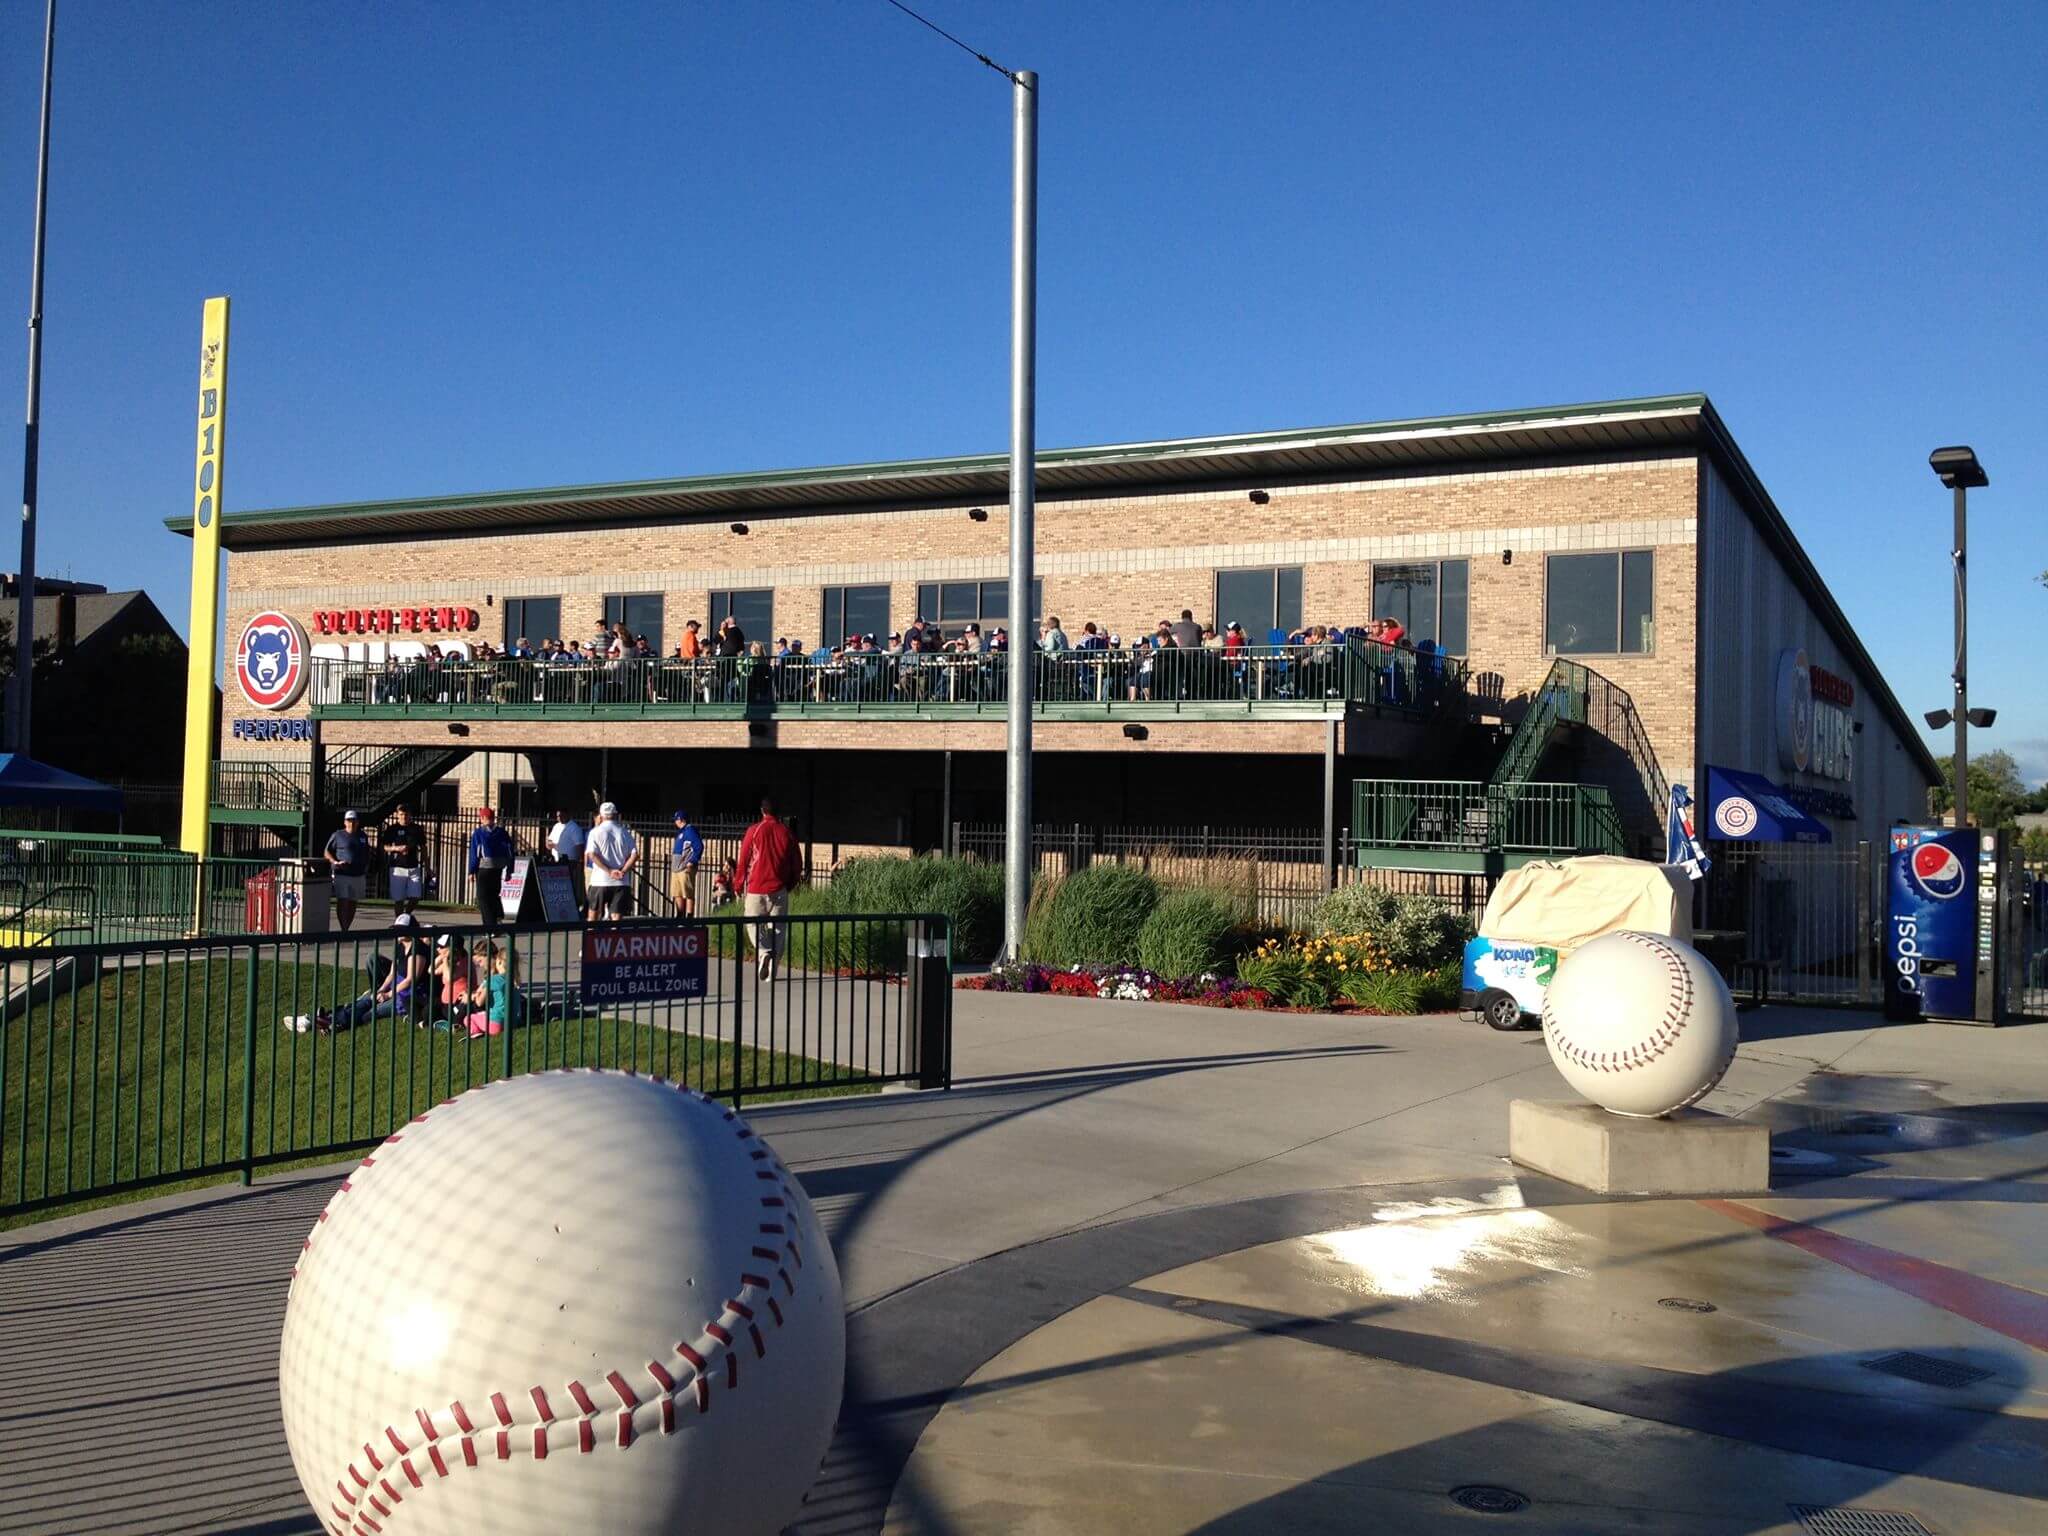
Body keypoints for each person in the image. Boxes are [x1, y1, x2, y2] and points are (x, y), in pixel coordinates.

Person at [318, 916, 425, 1033]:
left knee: (370, 1014)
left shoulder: (418, 949)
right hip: (396, 989)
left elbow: (410, 980)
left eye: (401, 929)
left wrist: (388, 995)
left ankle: (338, 1024)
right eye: (396, 928)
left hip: (406, 997)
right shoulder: (401, 946)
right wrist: (382, 989)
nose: (397, 932)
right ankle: (332, 1018)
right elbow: (391, 974)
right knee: (367, 1001)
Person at [735, 796, 802, 982]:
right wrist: (790, 883)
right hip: (779, 888)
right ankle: (772, 965)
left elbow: (744, 859)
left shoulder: (754, 831)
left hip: (757, 887)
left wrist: (738, 884)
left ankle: (763, 952)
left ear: (762, 811)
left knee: (752, 923)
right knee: (779, 929)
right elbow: (797, 862)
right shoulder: (786, 832)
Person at [585, 801, 639, 922]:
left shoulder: (595, 832)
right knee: (616, 918)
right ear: (615, 814)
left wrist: (608, 870)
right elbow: (634, 855)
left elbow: (592, 854)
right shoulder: (624, 832)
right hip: (621, 882)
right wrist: (623, 870)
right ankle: (614, 939)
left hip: (600, 880)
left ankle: (592, 938)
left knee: (593, 915)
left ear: (601, 815)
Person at [323, 810, 371, 931]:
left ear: (358, 822)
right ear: (345, 822)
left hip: (358, 874)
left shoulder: (363, 836)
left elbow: (367, 853)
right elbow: (327, 852)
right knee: (343, 900)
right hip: (342, 873)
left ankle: (347, 928)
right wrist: (335, 862)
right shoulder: (338, 835)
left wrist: (366, 866)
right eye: (349, 820)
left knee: (353, 902)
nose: (352, 823)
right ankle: (343, 928)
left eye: (354, 820)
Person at [468, 807, 515, 927]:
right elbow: (510, 850)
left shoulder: (479, 833)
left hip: (484, 866)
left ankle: (490, 925)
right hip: (499, 866)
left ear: (483, 818)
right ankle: (498, 915)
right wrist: (510, 869)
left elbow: (475, 853)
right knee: (494, 893)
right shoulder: (502, 832)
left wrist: (471, 870)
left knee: (483, 897)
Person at [379, 803, 427, 916]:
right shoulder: (392, 829)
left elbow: (423, 847)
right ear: (397, 815)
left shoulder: (417, 829)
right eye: (401, 814)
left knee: (415, 896)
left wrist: (427, 866)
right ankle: (398, 924)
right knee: (399, 899)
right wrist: (396, 848)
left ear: (410, 815)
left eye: (406, 815)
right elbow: (384, 846)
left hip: (413, 866)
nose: (404, 817)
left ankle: (405, 916)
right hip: (397, 867)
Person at [465, 945, 520, 1038]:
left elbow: (479, 1002)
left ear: (499, 962)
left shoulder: (494, 980)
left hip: (496, 1024)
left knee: (469, 1018)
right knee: (483, 1014)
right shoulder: (514, 980)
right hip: (512, 1023)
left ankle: (475, 1032)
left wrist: (475, 995)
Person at [546, 807, 587, 909]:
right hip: (556, 859)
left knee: (570, 884)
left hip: (570, 860)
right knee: (558, 885)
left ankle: (574, 904)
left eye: (561, 815)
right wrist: (549, 844)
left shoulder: (574, 828)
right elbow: (549, 840)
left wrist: (579, 859)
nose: (559, 818)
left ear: (567, 814)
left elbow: (579, 845)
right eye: (557, 816)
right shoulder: (556, 826)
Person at [430, 931, 472, 1027]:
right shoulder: (451, 960)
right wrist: (441, 957)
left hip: (458, 1001)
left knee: (451, 1014)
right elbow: (431, 970)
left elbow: (449, 978)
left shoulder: (463, 962)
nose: (438, 948)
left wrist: (444, 959)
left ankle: (453, 1025)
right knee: (429, 1011)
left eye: (442, 947)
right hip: (447, 1001)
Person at [670, 809, 704, 917]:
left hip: (685, 867)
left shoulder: (690, 830)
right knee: (677, 892)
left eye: (676, 820)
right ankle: (680, 914)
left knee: (688, 892)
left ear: (681, 819)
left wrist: (692, 861)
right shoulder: (681, 832)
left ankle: (689, 915)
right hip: (676, 866)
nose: (675, 822)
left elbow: (699, 846)